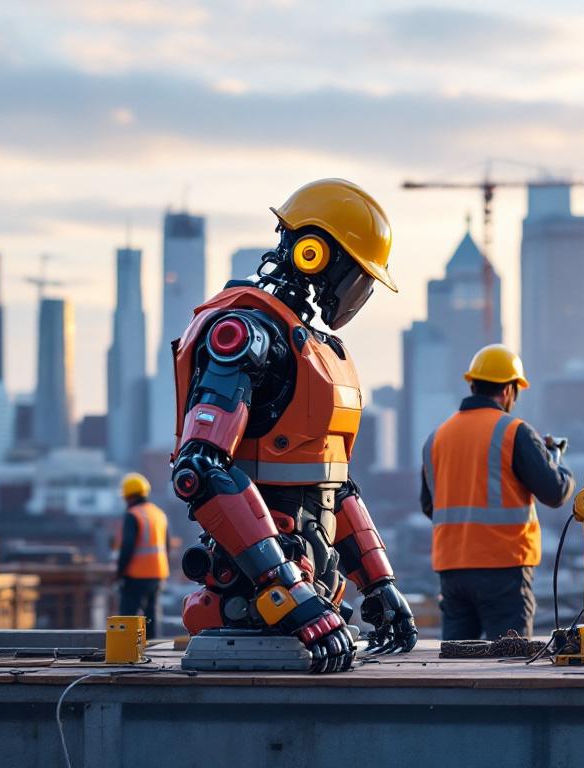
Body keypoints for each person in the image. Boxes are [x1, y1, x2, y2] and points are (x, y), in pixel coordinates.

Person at [169, 179, 416, 673]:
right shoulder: (243, 333)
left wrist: (379, 583)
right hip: (255, 603)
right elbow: (199, 470)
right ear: (314, 253)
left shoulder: (312, 347)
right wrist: (284, 588)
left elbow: (332, 483)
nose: (358, 292)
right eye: (357, 275)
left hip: (309, 600)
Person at [421, 344, 575, 641]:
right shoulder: (513, 431)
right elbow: (554, 492)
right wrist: (557, 460)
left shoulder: (436, 438)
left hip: (453, 569)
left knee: (455, 664)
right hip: (503, 569)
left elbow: (431, 506)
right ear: (508, 390)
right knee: (509, 665)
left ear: (473, 383)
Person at [114, 472, 170, 638]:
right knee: (151, 615)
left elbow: (127, 547)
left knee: (128, 615)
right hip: (158, 573)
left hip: (137, 574)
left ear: (128, 496)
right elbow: (166, 545)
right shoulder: (158, 514)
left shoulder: (133, 515)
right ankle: (151, 650)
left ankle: (126, 649)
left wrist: (119, 573)